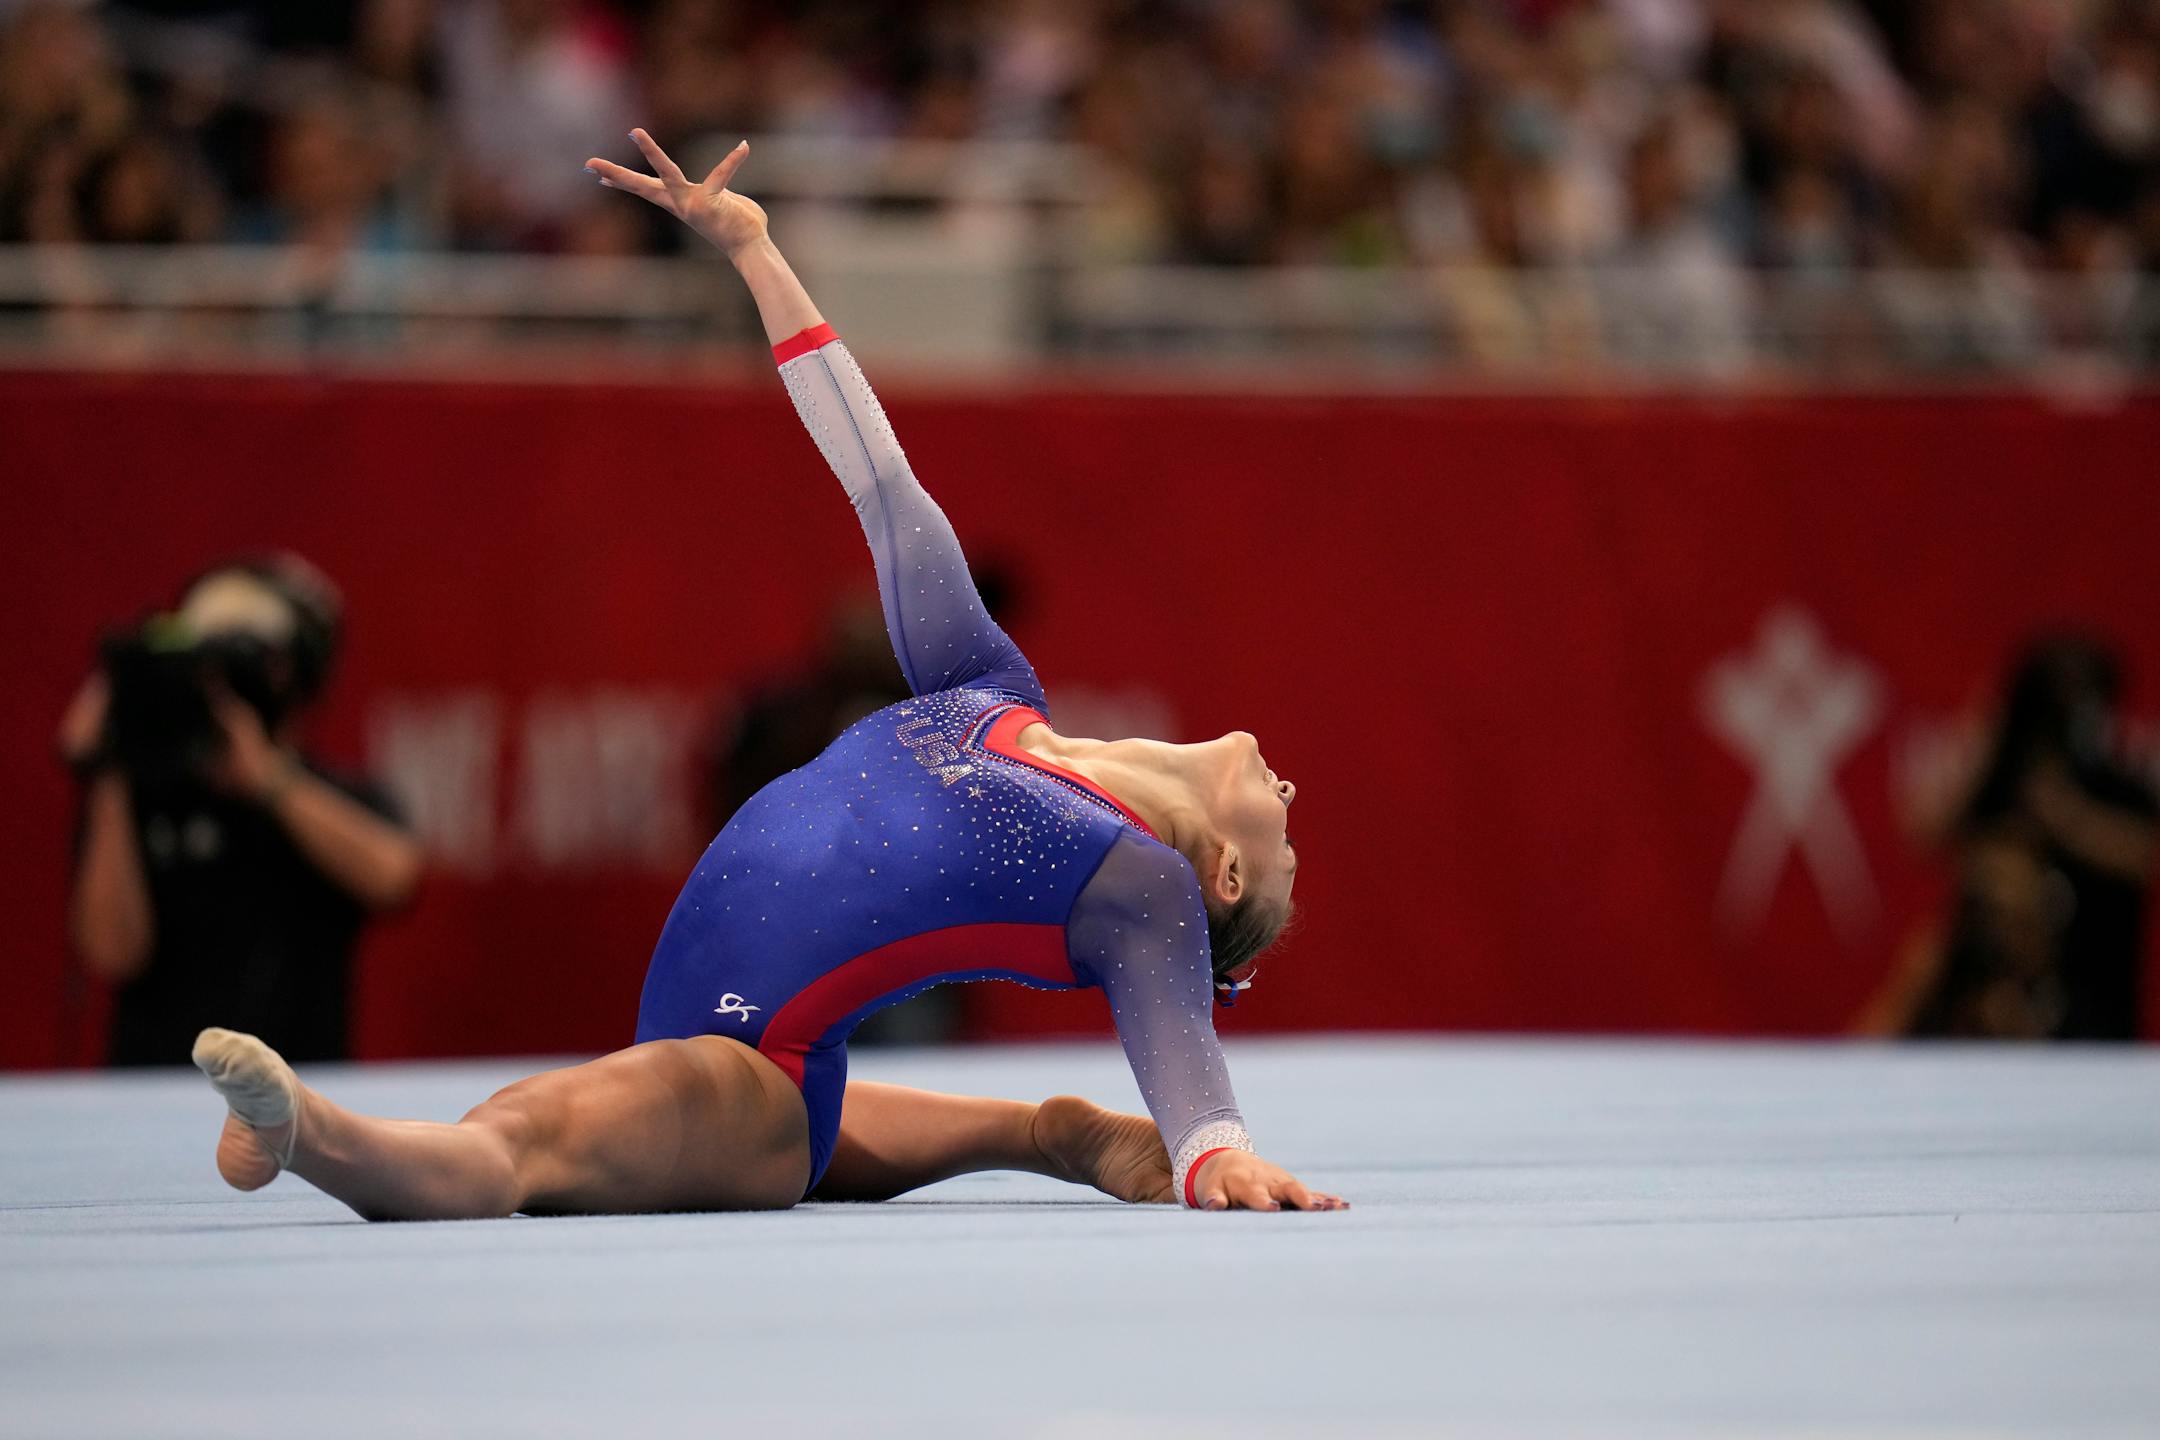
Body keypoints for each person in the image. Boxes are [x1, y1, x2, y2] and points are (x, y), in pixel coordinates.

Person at [191, 129, 1341, 1216]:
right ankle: (1069, 1139)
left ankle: (315, 1136)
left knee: (523, 1140)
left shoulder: (1140, 887)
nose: (1292, 798)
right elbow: (886, 492)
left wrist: (1211, 1155)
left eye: (1284, 838)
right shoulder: (993, 691)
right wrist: (757, 252)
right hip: (785, 1055)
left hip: (751, 1083)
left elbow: (1187, 1066)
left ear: (1224, 878)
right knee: (1002, 1122)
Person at [62, 554, 422, 1065]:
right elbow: (112, 952)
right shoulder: (138, 801)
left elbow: (395, 876)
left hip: (298, 1106)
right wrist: (112, 769)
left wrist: (266, 780)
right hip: (150, 1103)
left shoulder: (321, 796)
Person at [1860, 634, 2157, 1039]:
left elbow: (2144, 857)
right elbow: (1924, 833)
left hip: (2085, 986)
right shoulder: (2001, 780)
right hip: (1979, 988)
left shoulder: (2116, 784)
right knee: (1921, 968)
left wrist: (2067, 818)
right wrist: (1993, 727)